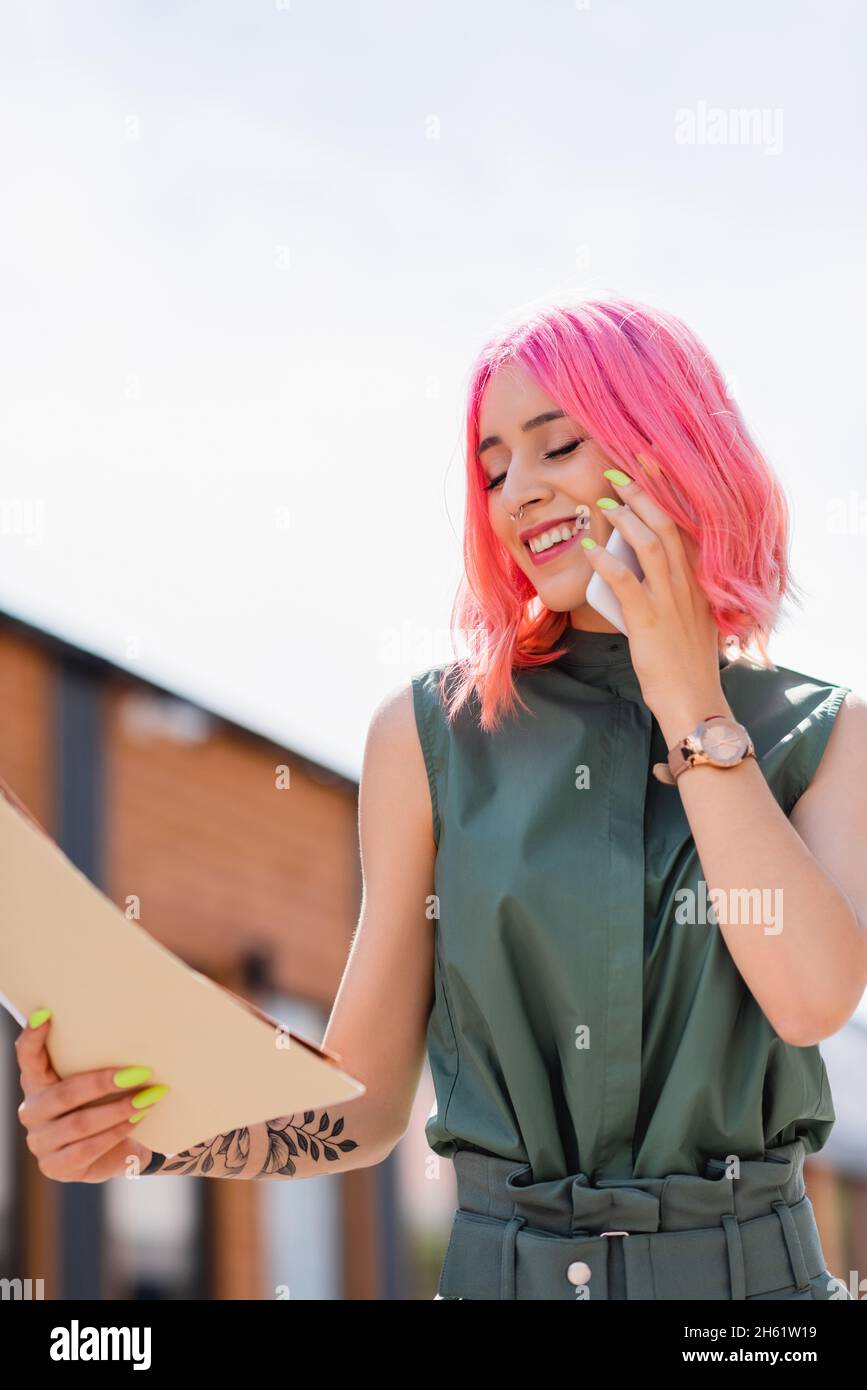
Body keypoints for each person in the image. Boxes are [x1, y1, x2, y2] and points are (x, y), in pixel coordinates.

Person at [15, 294, 867, 1302]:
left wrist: (686, 695)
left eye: (559, 446)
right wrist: (144, 1140)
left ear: (670, 450)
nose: (520, 491)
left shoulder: (826, 731)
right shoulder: (429, 734)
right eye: (496, 464)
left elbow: (811, 996)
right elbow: (366, 1103)